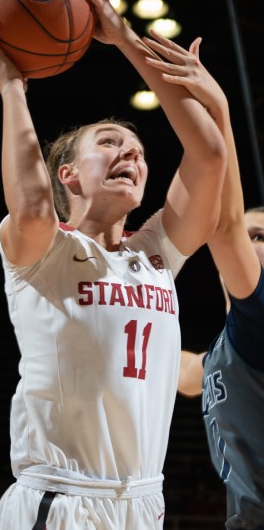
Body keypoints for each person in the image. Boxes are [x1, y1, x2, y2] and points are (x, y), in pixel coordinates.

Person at [0, 0, 227, 530]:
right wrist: (12, 87)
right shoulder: (42, 252)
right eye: (110, 143)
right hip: (60, 498)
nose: (131, 156)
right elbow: (32, 204)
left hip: (143, 500)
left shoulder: (157, 251)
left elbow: (209, 154)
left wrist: (124, 38)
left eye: (137, 151)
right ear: (68, 174)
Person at [151, 33, 264, 528]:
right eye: (260, 235)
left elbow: (226, 221)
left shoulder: (259, 323)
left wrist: (218, 108)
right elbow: (181, 369)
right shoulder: (217, 358)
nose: (258, 244)